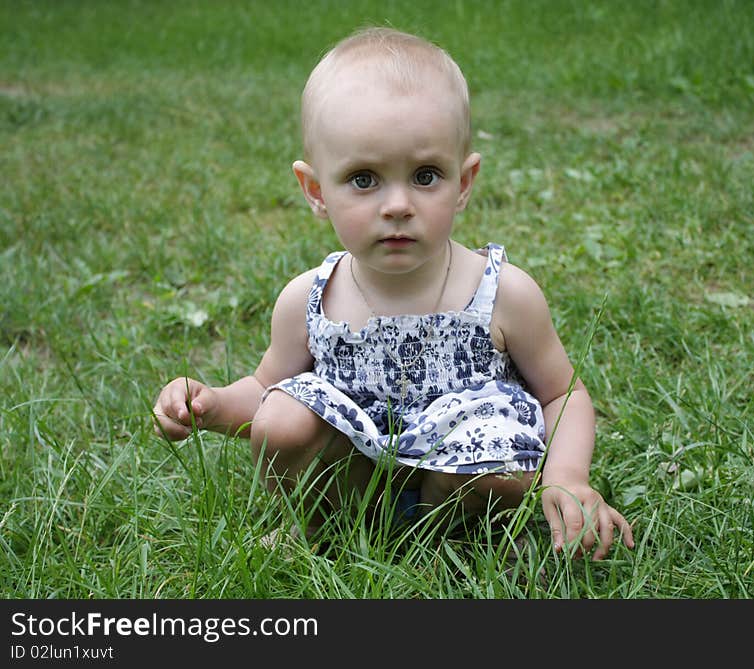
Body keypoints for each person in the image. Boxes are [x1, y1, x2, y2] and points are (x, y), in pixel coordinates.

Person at [152, 26, 634, 560]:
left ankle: (456, 535)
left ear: (464, 182)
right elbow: (265, 389)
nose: (398, 204)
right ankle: (319, 528)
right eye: (364, 179)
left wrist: (566, 476)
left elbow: (562, 395)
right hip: (354, 478)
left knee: (502, 464)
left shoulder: (501, 294)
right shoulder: (310, 299)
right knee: (282, 419)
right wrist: (214, 405)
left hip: (463, 481)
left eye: (426, 176)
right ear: (316, 191)